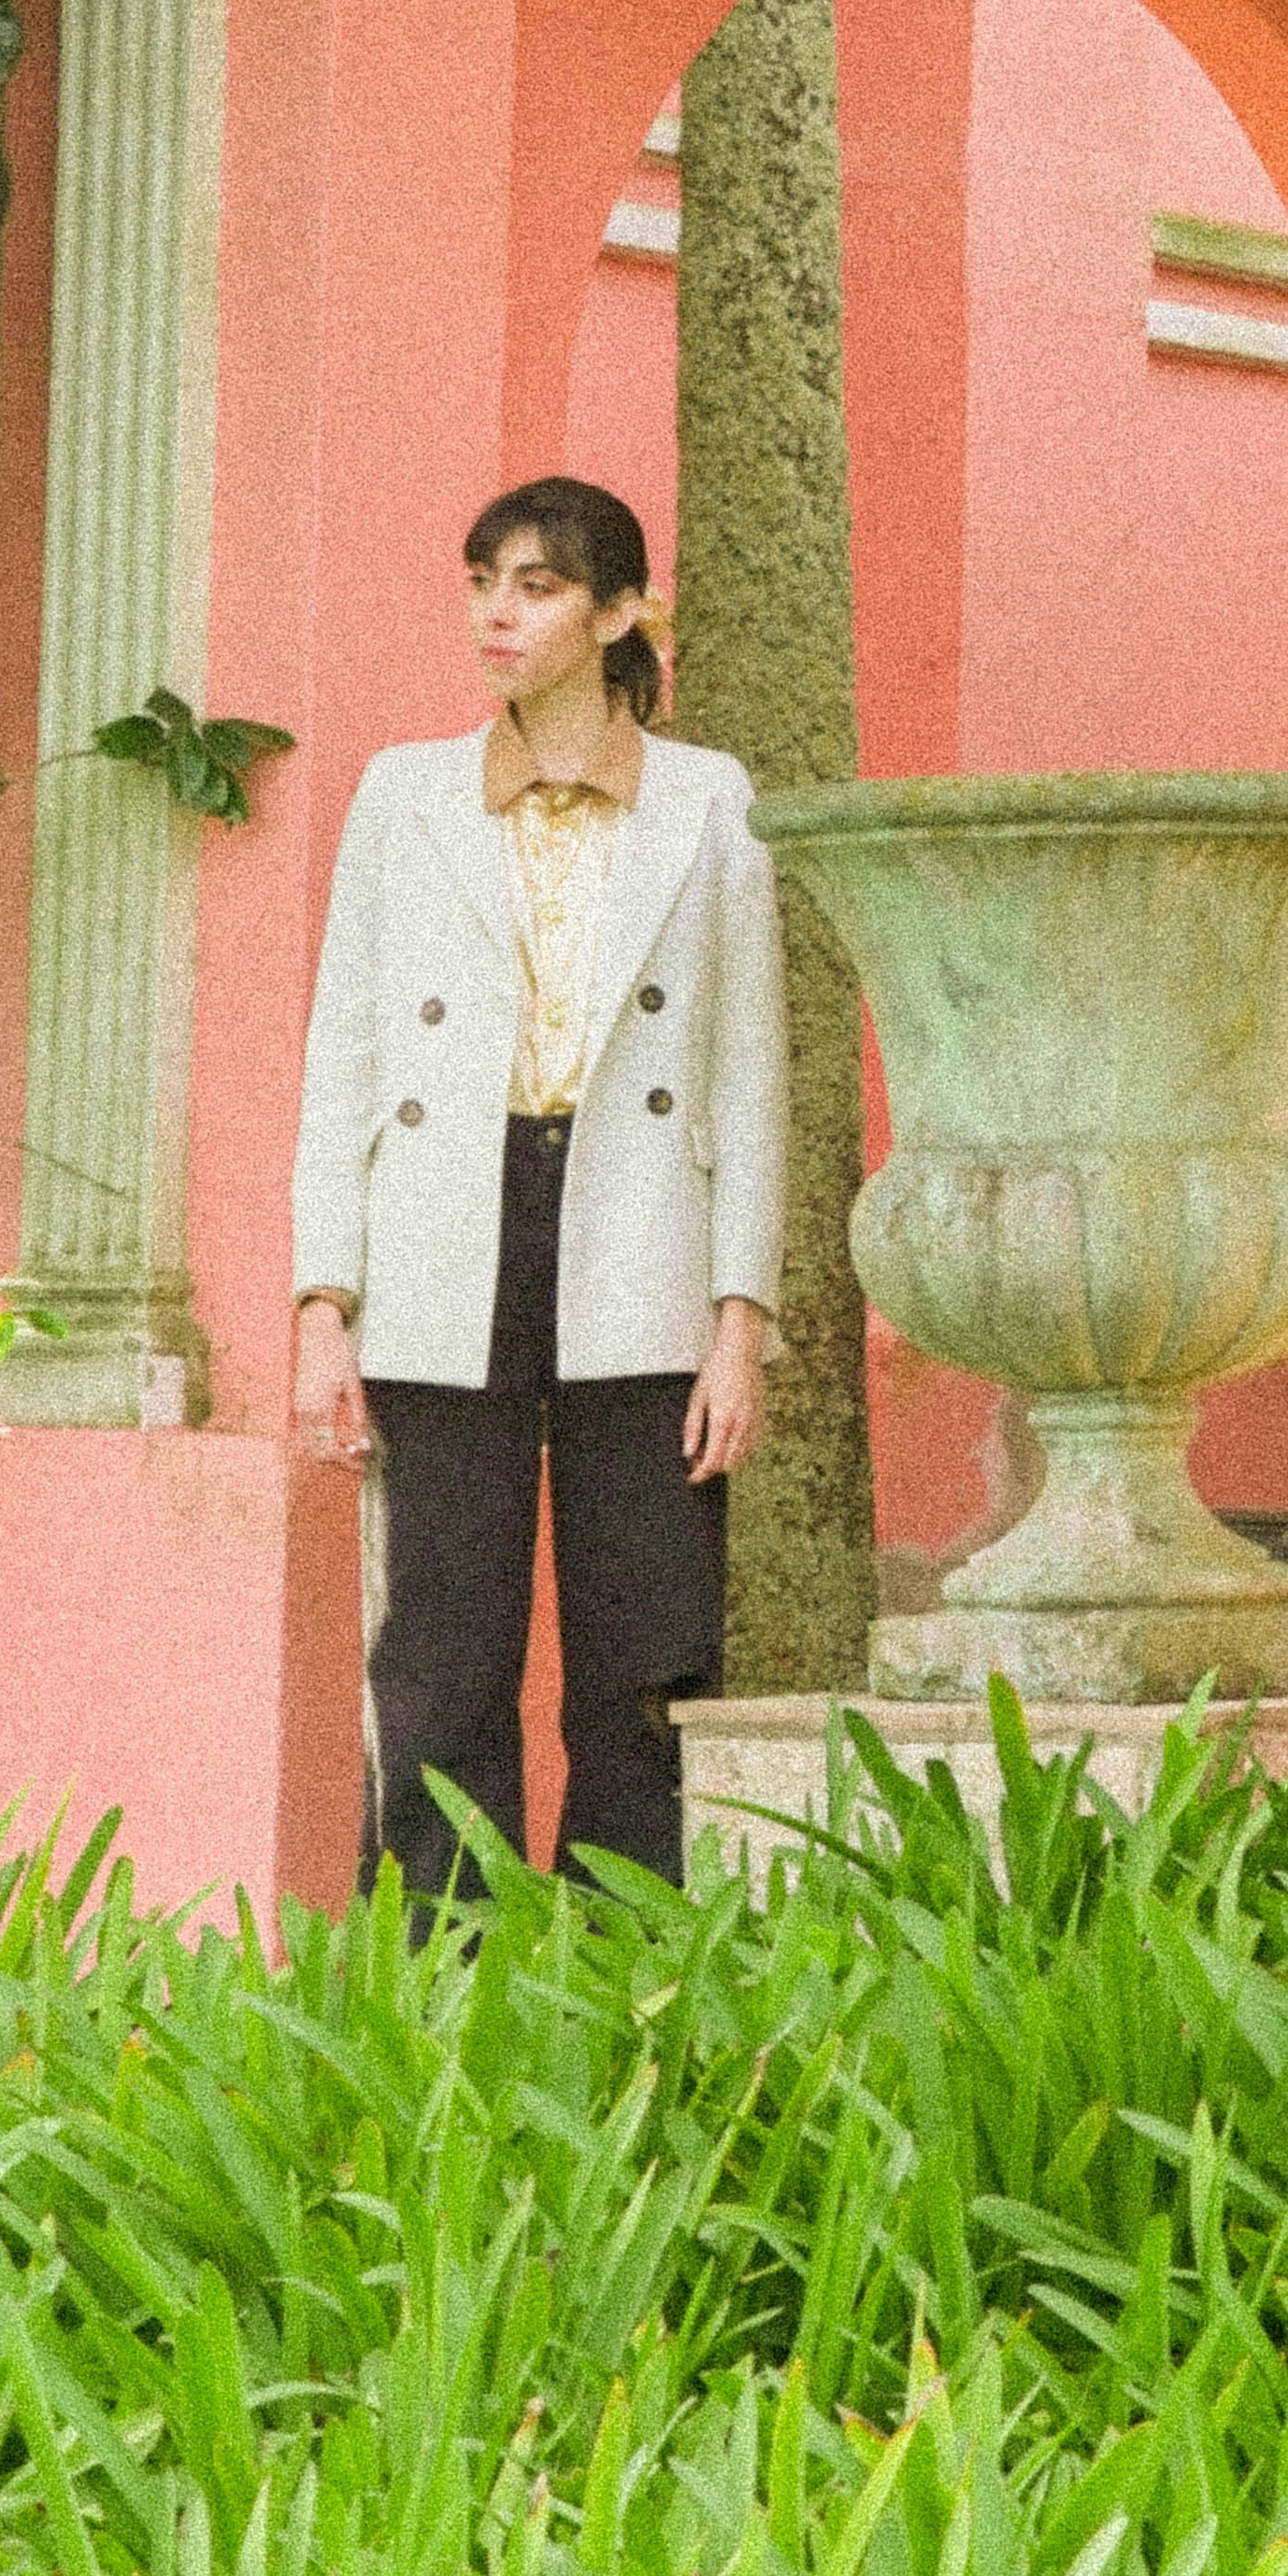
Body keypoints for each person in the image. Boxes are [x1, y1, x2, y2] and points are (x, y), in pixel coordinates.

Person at [291, 475, 784, 1892]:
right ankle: (448, 1974)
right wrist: (325, 1299)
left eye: (538, 586)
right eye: (480, 581)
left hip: (644, 1239)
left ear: (619, 610)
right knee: (444, 1645)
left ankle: (624, 1961)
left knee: (649, 1645)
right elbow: (344, 1049)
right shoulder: (404, 792)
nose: (496, 614)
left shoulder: (710, 801)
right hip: (448, 1230)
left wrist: (739, 1318)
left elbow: (752, 1067)